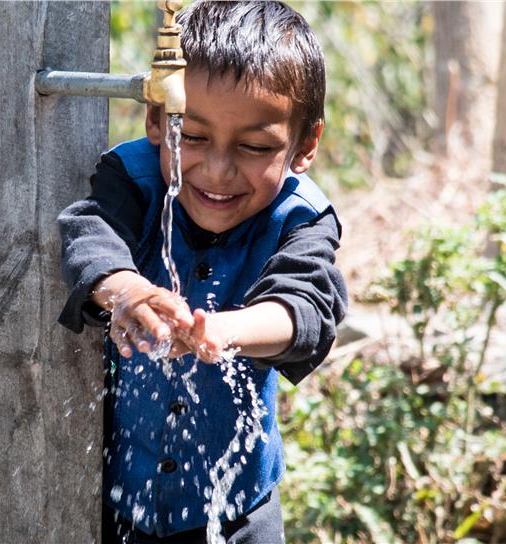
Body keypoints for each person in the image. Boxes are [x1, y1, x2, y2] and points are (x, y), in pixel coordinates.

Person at [57, 1, 347, 542]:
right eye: (190, 136)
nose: (217, 170)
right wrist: (127, 292)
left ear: (305, 144)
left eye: (255, 147)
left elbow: (305, 307)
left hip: (238, 515)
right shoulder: (134, 181)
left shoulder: (300, 219)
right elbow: (90, 234)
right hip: (116, 508)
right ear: (155, 118)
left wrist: (222, 330)